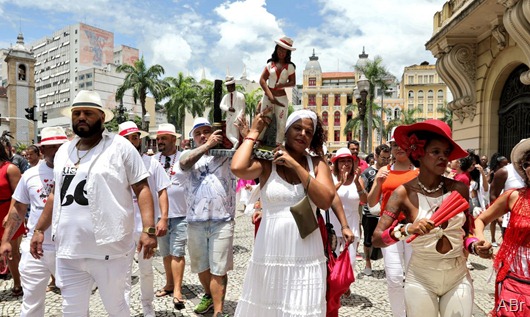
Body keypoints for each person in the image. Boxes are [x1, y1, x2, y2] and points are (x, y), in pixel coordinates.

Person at [29, 90, 157, 317]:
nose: (81, 117)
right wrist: (39, 229)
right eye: (76, 113)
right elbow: (55, 195)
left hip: (110, 249)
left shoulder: (120, 147)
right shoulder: (63, 152)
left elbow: (142, 188)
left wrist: (149, 229)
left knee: (117, 309)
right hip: (69, 250)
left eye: (87, 113)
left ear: (102, 117)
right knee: (72, 312)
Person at [231, 109, 354, 317]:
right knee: (268, 305)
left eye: (309, 131)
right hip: (271, 249)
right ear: (286, 130)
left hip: (306, 251)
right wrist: (253, 132)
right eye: (297, 128)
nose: (303, 134)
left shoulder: (317, 164)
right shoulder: (267, 161)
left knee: (302, 307)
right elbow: (238, 167)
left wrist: (296, 165)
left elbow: (325, 200)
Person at [372, 119, 475, 317]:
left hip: (457, 275)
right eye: (436, 152)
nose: (443, 157)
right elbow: (377, 239)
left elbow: (466, 234)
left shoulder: (459, 189)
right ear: (419, 154)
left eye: (446, 153)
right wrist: (406, 230)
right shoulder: (403, 193)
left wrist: (475, 245)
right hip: (420, 277)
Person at [179, 117, 244, 317]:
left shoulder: (226, 154)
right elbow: (184, 164)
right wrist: (207, 146)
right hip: (195, 221)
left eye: (206, 131)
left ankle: (218, 310)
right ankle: (208, 295)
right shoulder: (188, 154)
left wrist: (242, 132)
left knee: (219, 268)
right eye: (198, 133)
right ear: (193, 138)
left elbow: (243, 151)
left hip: (222, 220)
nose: (202, 136)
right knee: (201, 266)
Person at [0, 127, 67, 316]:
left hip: (69, 248)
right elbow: (19, 208)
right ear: (42, 151)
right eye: (50, 147)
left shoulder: (80, 172)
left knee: (73, 303)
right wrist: (6, 240)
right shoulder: (30, 175)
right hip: (35, 249)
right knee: (31, 303)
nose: (56, 151)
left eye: (60, 146)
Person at [118, 121, 171, 317]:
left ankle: (147, 305)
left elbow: (162, 190)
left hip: (145, 229)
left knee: (146, 270)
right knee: (122, 273)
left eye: (135, 137)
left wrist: (163, 218)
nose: (132, 141)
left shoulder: (152, 163)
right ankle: (123, 309)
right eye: (127, 138)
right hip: (122, 228)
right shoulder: (115, 165)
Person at [474, 138, 530, 316]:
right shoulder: (513, 196)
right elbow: (480, 220)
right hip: (514, 276)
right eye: (527, 163)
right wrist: (481, 241)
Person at [367, 129, 418, 317]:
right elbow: (371, 202)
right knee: (394, 276)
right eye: (394, 145)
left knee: (414, 277)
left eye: (402, 144)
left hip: (414, 229)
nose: (398, 148)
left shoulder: (419, 172)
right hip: (388, 228)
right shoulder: (383, 171)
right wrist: (379, 182)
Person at [153, 123, 189, 310]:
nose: (160, 142)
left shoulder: (184, 157)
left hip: (181, 214)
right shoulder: (153, 160)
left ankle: (177, 289)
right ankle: (168, 284)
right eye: (158, 139)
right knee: (166, 253)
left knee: (177, 252)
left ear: (173, 139)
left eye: (164, 138)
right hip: (160, 217)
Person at [329, 147, 367, 273]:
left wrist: (356, 182)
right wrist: (340, 182)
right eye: (342, 161)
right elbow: (326, 197)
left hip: (352, 228)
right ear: (336, 163)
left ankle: (345, 288)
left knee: (350, 263)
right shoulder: (330, 178)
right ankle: (334, 291)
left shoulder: (358, 179)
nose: (346, 164)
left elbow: (365, 200)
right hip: (332, 228)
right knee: (332, 263)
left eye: (349, 161)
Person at [257, 36, 296, 146]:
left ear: (288, 53)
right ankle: (258, 140)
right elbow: (262, 80)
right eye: (279, 50)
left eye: (284, 51)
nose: (281, 53)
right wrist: (270, 96)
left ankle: (279, 144)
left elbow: (293, 82)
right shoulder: (270, 65)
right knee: (264, 117)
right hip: (268, 96)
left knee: (281, 121)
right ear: (276, 50)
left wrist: (283, 84)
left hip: (282, 98)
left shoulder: (290, 67)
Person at [360, 144, 391, 276]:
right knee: (368, 240)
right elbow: (362, 191)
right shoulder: (368, 173)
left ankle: (389, 264)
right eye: (383, 158)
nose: (385, 161)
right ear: (376, 156)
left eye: (388, 158)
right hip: (369, 212)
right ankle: (368, 262)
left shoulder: (391, 171)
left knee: (387, 239)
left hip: (387, 213)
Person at [0, 134, 23, 296]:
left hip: (9, 213)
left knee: (12, 253)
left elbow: (19, 196)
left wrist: (9, 215)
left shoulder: (10, 168)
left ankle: (18, 282)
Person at [220, 75, 246, 149]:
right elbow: (221, 105)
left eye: (229, 86)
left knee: (236, 133)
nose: (228, 88)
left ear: (233, 85)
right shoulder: (226, 96)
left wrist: (239, 118)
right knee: (228, 133)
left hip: (236, 117)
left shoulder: (240, 96)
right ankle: (235, 142)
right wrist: (228, 108)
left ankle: (236, 146)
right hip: (229, 117)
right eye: (227, 86)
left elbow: (242, 109)